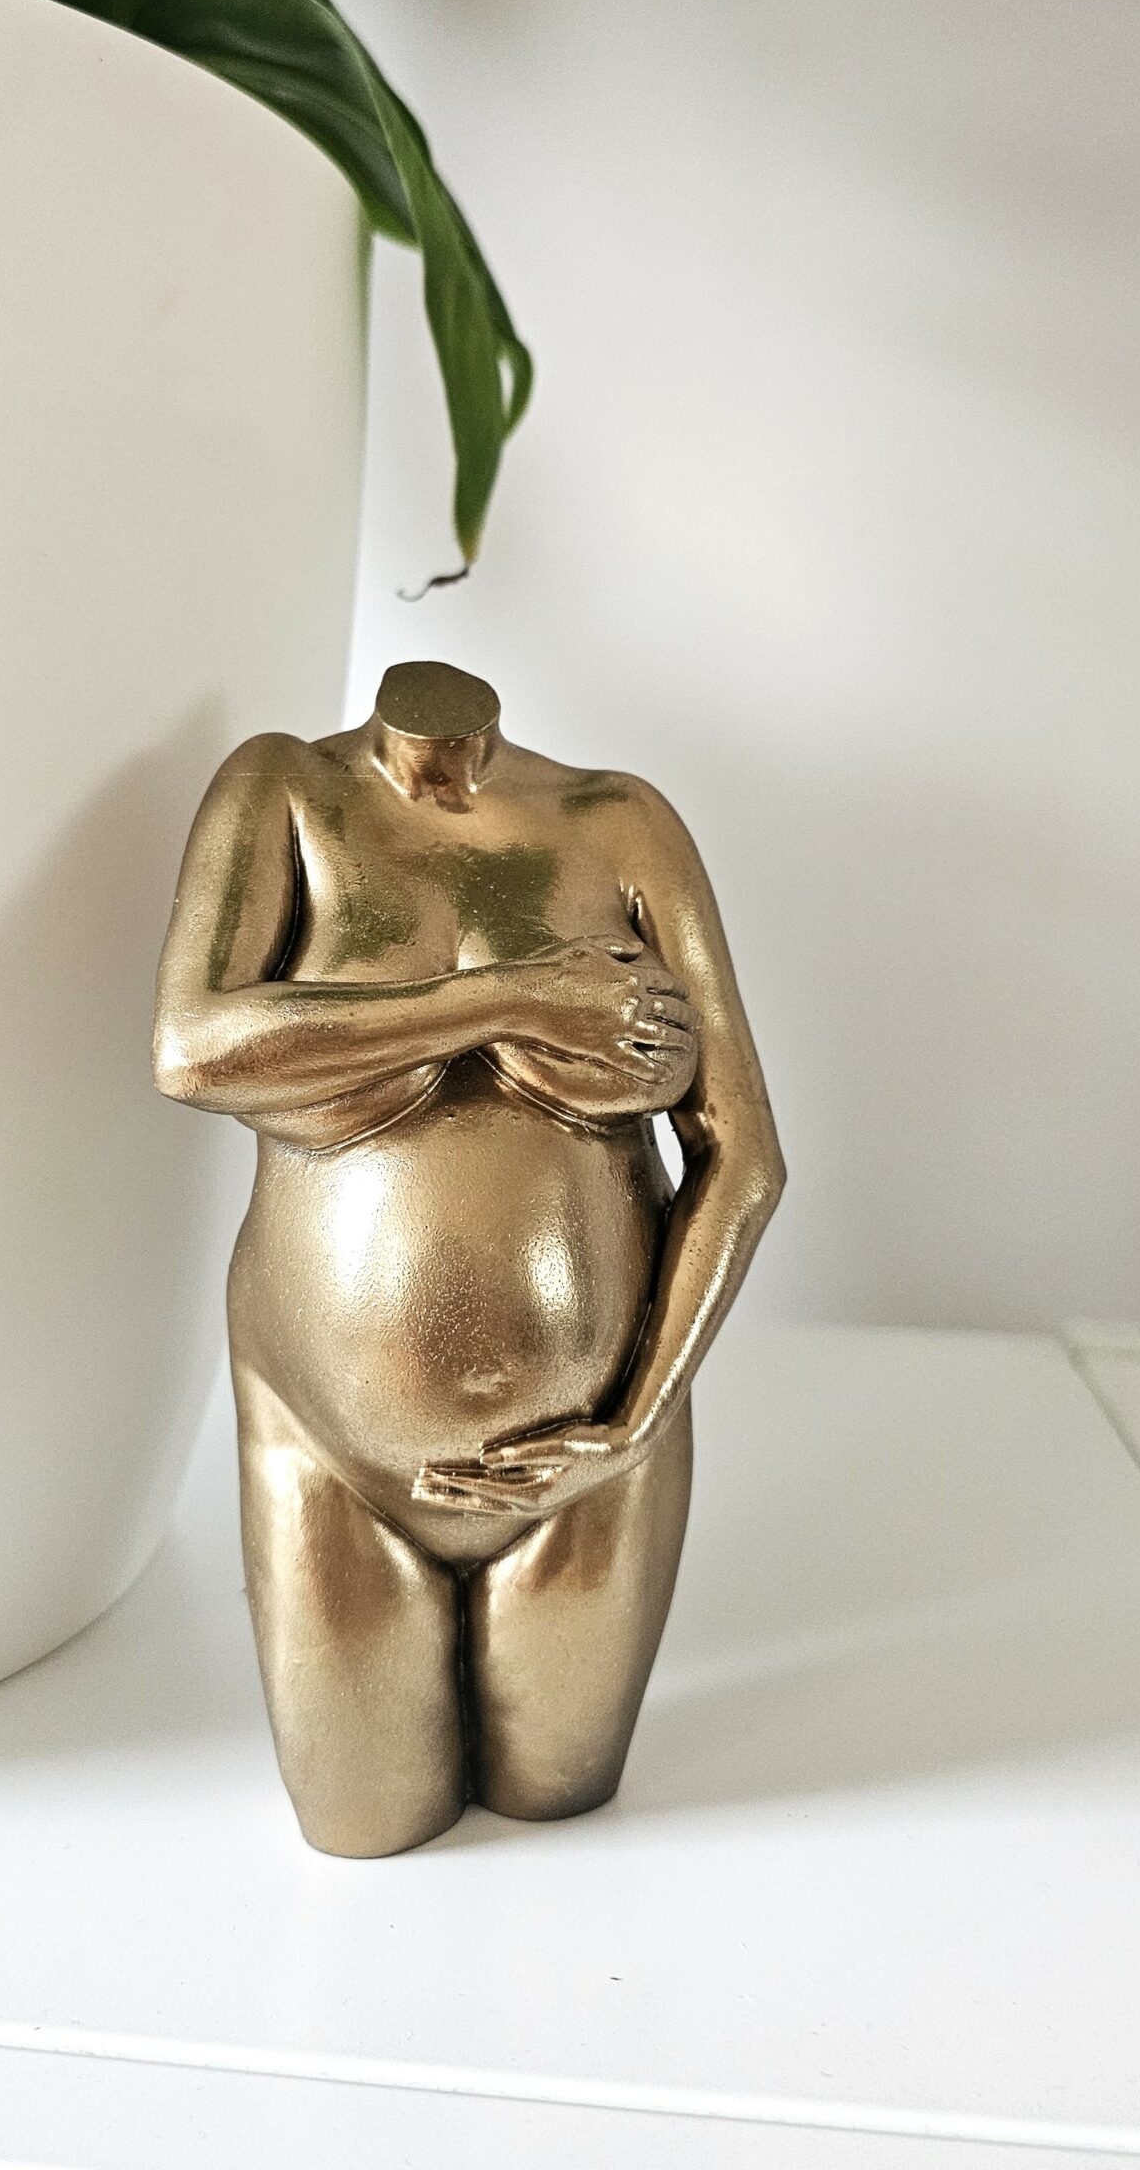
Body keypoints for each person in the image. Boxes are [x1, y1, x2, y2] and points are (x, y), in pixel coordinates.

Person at [153, 661, 783, 1855]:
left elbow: (743, 1155)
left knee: (561, 1804)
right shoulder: (284, 791)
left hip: (594, 1456)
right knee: (361, 1825)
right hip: (331, 1449)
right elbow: (192, 1046)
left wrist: (635, 1421)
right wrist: (509, 999)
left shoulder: (621, 823)